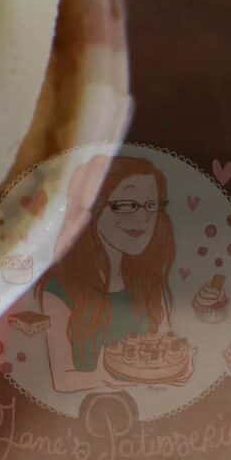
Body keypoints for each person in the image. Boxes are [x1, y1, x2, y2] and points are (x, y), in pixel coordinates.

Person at [38, 154, 175, 397]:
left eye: (151, 205)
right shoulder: (59, 291)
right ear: (94, 206)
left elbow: (164, 353)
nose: (143, 219)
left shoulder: (150, 284)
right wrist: (114, 378)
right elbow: (62, 379)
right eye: (127, 205)